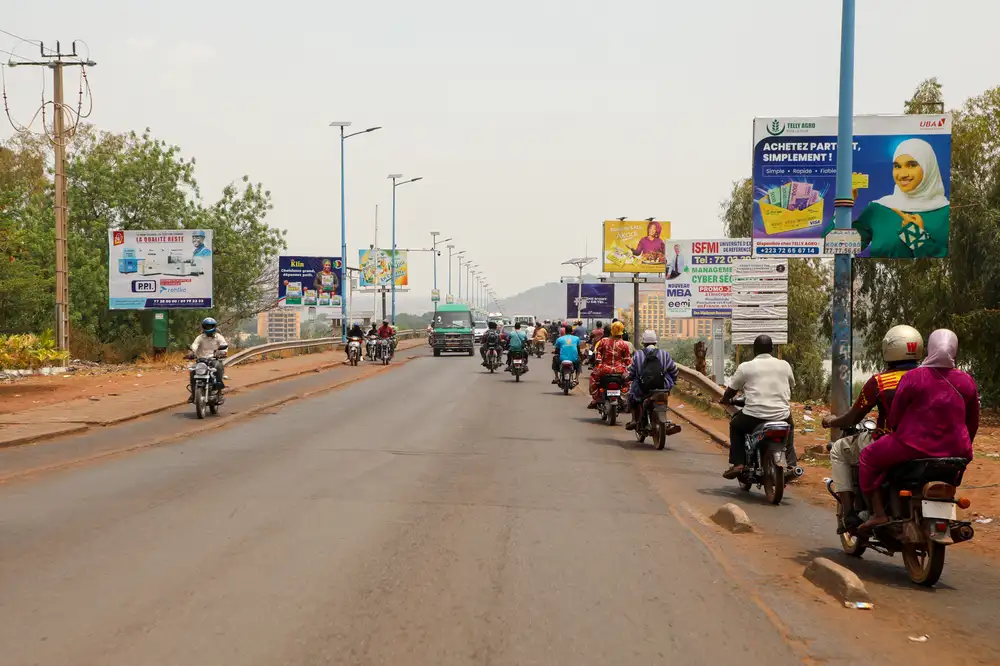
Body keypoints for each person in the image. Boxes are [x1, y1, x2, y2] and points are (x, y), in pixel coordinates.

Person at [857, 329, 979, 531]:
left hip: (912, 445)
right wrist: (964, 446)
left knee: (868, 457)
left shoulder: (914, 377)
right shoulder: (967, 381)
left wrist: (896, 430)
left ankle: (879, 514)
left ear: (930, 348)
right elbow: (972, 422)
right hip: (958, 450)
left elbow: (895, 416)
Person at [822, 325, 923, 533]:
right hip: (926, 441)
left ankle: (849, 513)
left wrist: (832, 421)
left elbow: (854, 416)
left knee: (839, 449)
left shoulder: (880, 381)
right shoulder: (929, 377)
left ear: (888, 349)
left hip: (891, 441)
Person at [852, 138, 950, 259]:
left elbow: (948, 268)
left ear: (928, 166)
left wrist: (915, 235)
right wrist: (843, 206)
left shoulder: (947, 213)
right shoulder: (878, 209)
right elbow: (838, 247)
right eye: (897, 166)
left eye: (912, 165)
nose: (903, 174)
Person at [720, 334, 796, 478]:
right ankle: (792, 464)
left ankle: (738, 463)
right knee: (790, 429)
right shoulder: (785, 365)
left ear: (754, 350)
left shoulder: (745, 367)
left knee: (735, 425)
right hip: (782, 416)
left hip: (754, 417)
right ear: (772, 349)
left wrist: (724, 399)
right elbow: (792, 384)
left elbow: (731, 391)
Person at [625, 330, 679, 430]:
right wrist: (673, 381)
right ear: (655, 342)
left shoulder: (638, 354)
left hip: (643, 387)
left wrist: (629, 377)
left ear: (644, 342)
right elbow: (674, 369)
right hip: (662, 386)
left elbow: (632, 372)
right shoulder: (664, 354)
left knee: (631, 396)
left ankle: (633, 420)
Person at [588, 321, 633, 408]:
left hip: (604, 369)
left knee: (593, 377)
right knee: (628, 382)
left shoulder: (603, 341)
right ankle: (623, 397)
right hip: (620, 370)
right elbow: (628, 360)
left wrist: (599, 363)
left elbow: (598, 355)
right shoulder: (624, 344)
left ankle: (596, 398)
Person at [188, 317, 227, 402]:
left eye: (210, 326)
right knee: (193, 371)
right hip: (201, 360)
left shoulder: (219, 337)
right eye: (207, 326)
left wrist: (222, 352)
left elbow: (224, 345)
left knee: (218, 367)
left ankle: (219, 392)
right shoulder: (200, 337)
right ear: (203, 327)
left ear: (214, 326)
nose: (209, 328)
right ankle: (194, 393)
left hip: (214, 359)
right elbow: (195, 345)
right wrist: (192, 352)